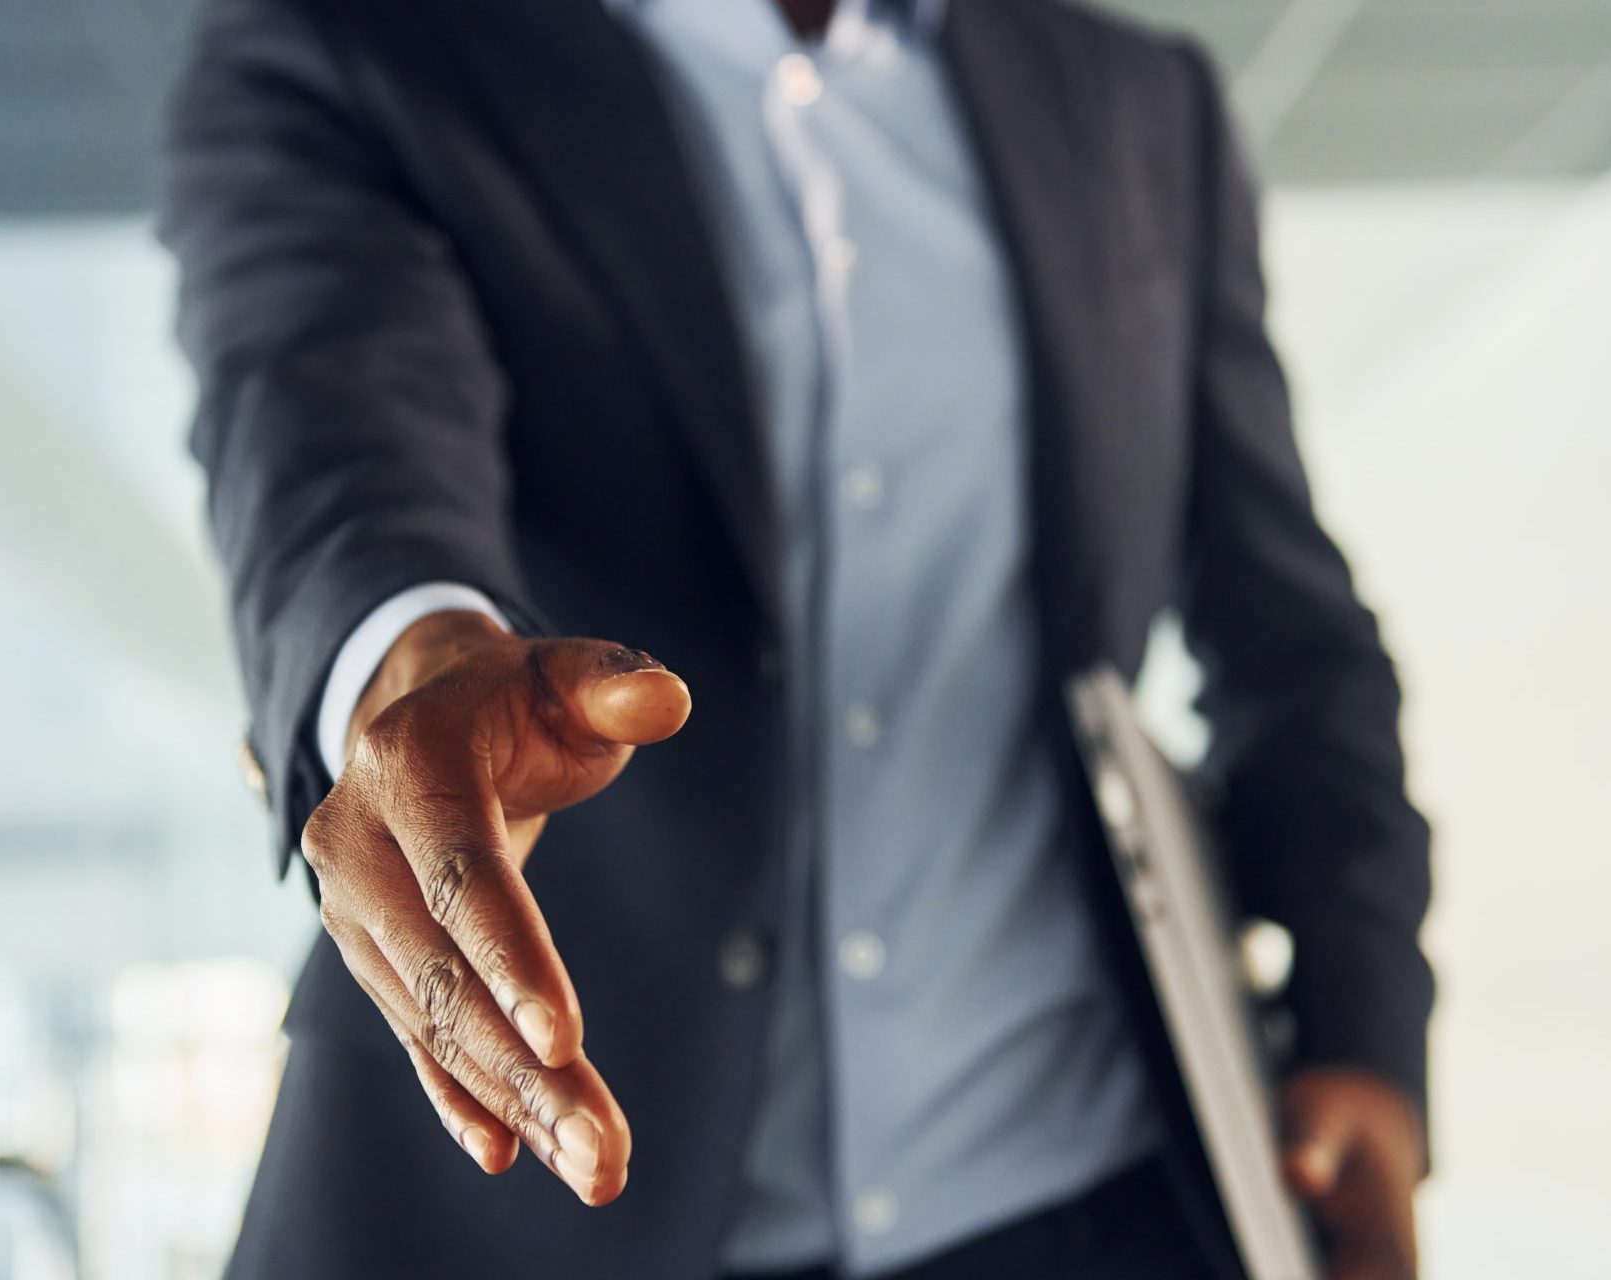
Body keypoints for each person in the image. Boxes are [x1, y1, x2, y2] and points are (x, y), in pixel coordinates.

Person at [159, 0, 1433, 1275]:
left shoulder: (1139, 105)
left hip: (1078, 1183)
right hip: (534, 1195)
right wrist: (420, 663)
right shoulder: (349, 53)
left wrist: (1360, 1027)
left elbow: (1289, 637)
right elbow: (338, 450)